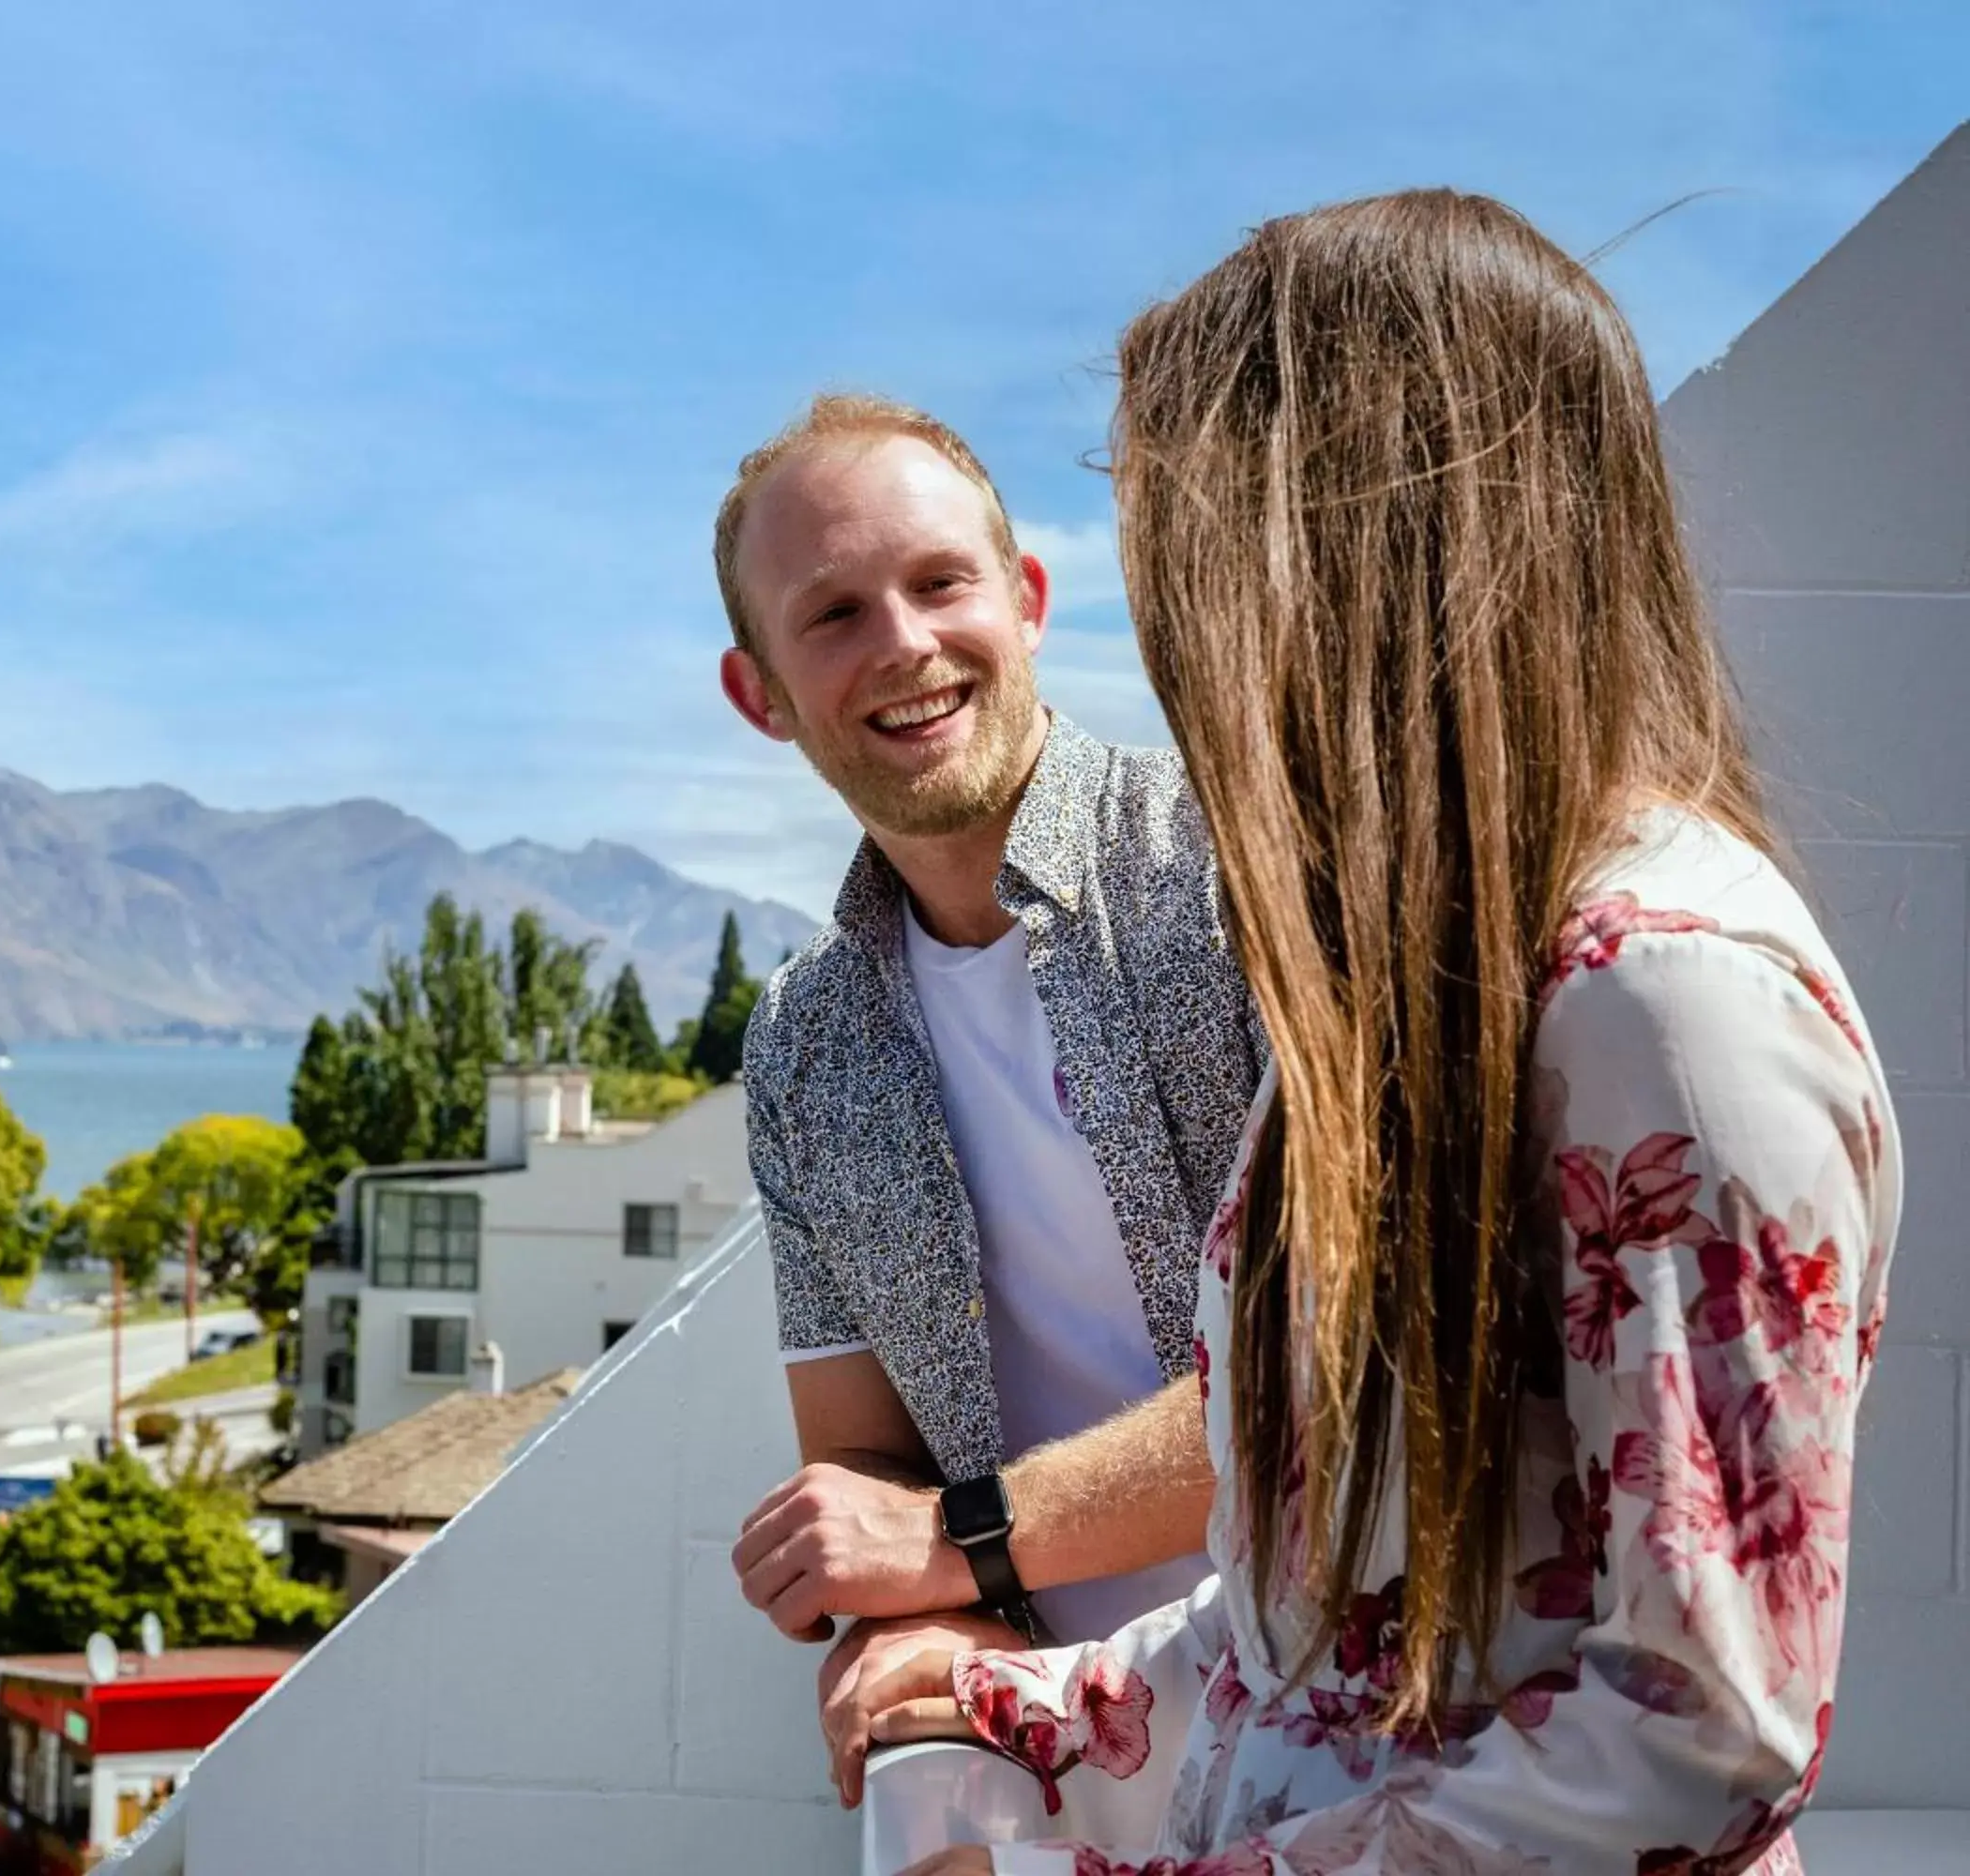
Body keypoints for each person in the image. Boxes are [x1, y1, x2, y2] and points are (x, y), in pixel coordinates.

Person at [862, 189, 1903, 1873]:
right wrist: (1015, 1707)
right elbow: (1322, 1631)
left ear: (1358, 564)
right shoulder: (1425, 990)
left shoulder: (1669, 1007)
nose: (1184, 664)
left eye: (1193, 582)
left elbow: (1703, 1731)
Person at [712, 393, 1265, 1807]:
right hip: (1066, 1762)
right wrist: (914, 1628)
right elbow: (864, 1479)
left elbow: (1343, 1392)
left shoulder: (1243, 877)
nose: (903, 641)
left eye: (939, 581)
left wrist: (954, 1549)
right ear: (760, 693)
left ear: (1024, 601)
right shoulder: (802, 1048)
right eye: (831, 613)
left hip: (1353, 1737)